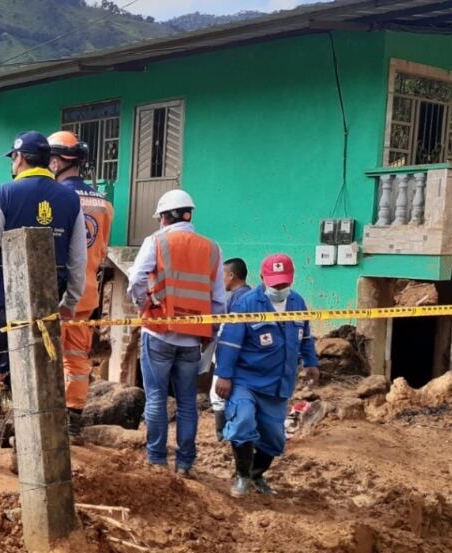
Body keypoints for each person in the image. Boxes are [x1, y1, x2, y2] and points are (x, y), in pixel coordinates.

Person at [0, 131, 87, 469]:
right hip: (44, 305)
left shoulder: (6, 194)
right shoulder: (71, 201)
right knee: (31, 372)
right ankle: (23, 455)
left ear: (20, 159)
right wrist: (70, 301)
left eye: (13, 158)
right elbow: (78, 258)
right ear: (49, 162)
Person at [128, 189, 224, 477]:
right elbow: (219, 300)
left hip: (158, 332)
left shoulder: (156, 241)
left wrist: (143, 303)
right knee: (186, 402)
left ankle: (157, 460)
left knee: (156, 397)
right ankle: (185, 463)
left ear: (165, 217)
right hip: (193, 338)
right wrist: (210, 332)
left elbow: (136, 278)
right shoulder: (212, 248)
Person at [215, 254, 319, 497]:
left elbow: (305, 336)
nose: (280, 288)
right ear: (262, 278)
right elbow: (229, 342)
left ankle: (256, 474)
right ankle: (241, 476)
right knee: (243, 422)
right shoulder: (247, 303)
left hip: (278, 381)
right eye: (275, 284)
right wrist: (224, 375)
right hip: (246, 379)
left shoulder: (297, 303)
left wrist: (311, 361)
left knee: (273, 439)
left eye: (284, 283)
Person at [48, 131, 115, 445]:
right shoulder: (104, 203)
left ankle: (45, 418)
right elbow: (101, 250)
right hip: (86, 293)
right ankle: (73, 421)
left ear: (58, 161)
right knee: (76, 358)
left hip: (53, 292)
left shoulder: (56, 198)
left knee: (45, 355)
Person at [209, 258, 253, 439]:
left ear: (232, 275)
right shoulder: (248, 295)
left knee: (218, 395)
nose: (221, 280)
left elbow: (230, 333)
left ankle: (223, 435)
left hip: (231, 357)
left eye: (223, 275)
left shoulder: (238, 298)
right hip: (244, 358)